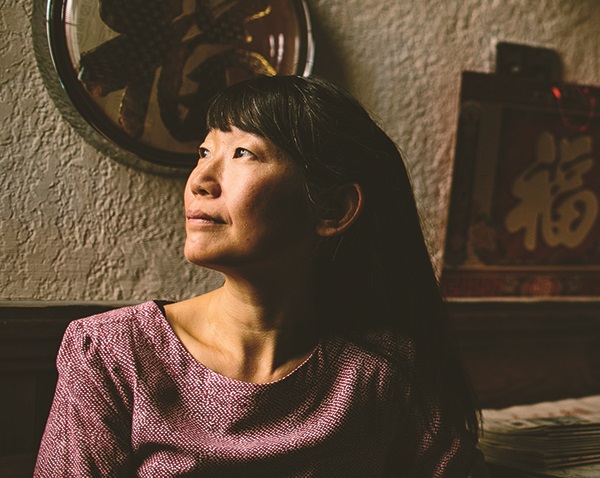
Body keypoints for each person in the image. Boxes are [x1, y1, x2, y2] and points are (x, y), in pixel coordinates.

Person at [34, 75, 489, 477]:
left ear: (331, 209)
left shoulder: (384, 370)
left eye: (242, 152)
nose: (200, 180)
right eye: (204, 152)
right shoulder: (115, 354)